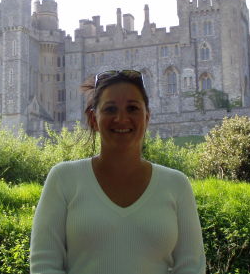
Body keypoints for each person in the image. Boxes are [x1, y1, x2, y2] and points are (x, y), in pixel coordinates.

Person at [30, 70, 206, 274]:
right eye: (110, 109)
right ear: (93, 119)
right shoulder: (63, 179)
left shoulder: (176, 184)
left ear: (147, 117)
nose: (121, 118)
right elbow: (44, 265)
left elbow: (191, 266)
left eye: (132, 108)